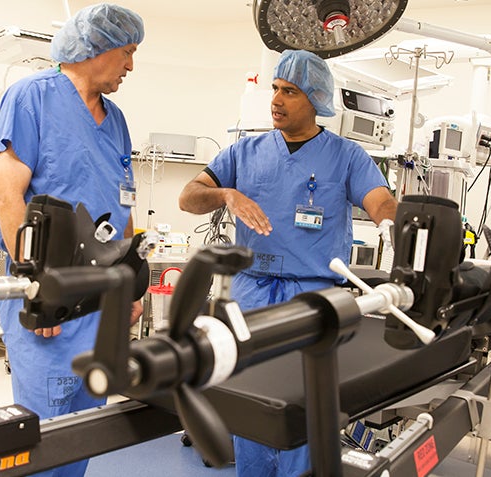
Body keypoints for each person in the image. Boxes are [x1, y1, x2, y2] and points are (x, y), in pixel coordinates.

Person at [178, 49, 397, 477]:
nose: (276, 99)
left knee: (306, 402)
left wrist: (394, 226)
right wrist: (226, 194)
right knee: (251, 398)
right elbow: (188, 197)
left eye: (289, 91)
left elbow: (381, 202)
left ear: (315, 100)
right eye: (275, 89)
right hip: (251, 291)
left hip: (313, 296)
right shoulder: (246, 152)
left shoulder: (347, 157)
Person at [0, 3, 144, 476]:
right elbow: (7, 197)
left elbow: (123, 205)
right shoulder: (31, 97)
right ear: (96, 48)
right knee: (44, 436)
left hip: (101, 298)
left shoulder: (115, 119)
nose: (131, 66)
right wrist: (41, 291)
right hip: (49, 296)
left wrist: (130, 284)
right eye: (128, 52)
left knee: (84, 429)